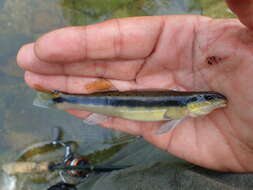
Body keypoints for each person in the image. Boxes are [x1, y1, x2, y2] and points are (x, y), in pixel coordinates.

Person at [17, 0, 253, 173]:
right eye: (208, 100)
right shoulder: (182, 108)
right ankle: (56, 98)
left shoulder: (184, 108)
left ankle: (55, 99)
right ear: (193, 103)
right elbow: (167, 125)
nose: (213, 103)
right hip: (109, 101)